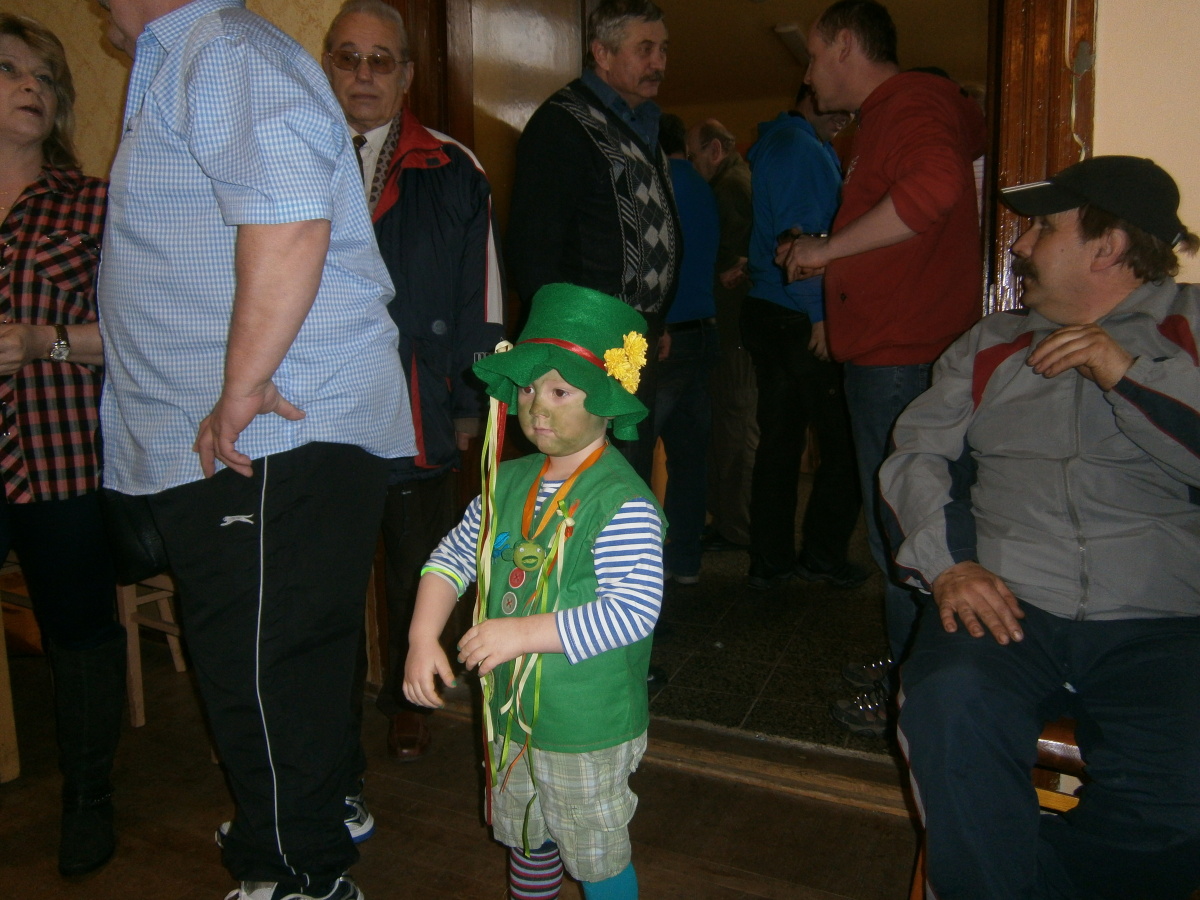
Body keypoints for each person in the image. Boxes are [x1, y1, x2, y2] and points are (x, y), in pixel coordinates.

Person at [93, 1, 414, 898]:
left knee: (263, 662)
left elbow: (291, 221)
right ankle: (315, 813)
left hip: (272, 423)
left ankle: (297, 873)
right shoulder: (195, 55)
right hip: (265, 428)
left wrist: (241, 388)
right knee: (289, 650)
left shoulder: (225, 51)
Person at [881, 155, 1200, 898]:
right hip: (1008, 603)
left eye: (1043, 228)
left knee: (1183, 794)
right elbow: (915, 457)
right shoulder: (990, 343)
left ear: (1108, 246)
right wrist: (951, 567)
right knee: (948, 707)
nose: (1020, 246)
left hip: (1166, 619)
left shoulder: (1190, 328)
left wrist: (1126, 373)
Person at [404, 283, 664, 900]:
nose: (536, 407)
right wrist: (421, 636)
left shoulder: (621, 503)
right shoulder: (506, 482)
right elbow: (451, 558)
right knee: (526, 835)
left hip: (586, 726)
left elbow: (632, 612)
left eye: (560, 392)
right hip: (510, 717)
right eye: (527, 389)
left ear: (605, 401)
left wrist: (521, 633)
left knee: (594, 852)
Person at [777, 0, 985, 735]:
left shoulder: (909, 102)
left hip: (902, 360)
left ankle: (916, 698)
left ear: (844, 45)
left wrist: (827, 251)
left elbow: (936, 188)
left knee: (905, 536)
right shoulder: (895, 114)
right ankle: (911, 667)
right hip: (901, 353)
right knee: (909, 530)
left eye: (812, 57)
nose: (808, 75)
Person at [321, 0, 505, 764]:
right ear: (327, 66)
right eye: (348, 57)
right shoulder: (293, 154)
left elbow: (479, 300)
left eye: (381, 60)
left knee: (415, 566)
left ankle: (407, 696)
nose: (364, 73)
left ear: (406, 74)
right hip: (318, 407)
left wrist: (469, 406)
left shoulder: (453, 168)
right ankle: (332, 710)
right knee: (327, 577)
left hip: (417, 403)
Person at [0, 13, 121, 878]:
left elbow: (145, 335)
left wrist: (48, 341)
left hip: (60, 454)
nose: (32, 86)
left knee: (79, 633)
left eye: (45, 76)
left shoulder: (93, 202)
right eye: (10, 70)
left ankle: (88, 798)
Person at [505, 0, 679, 484]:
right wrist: (560, 347)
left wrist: (657, 320)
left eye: (663, 50)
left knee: (626, 470)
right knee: (585, 475)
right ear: (602, 53)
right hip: (584, 343)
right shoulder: (562, 124)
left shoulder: (645, 124)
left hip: (634, 337)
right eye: (645, 49)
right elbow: (532, 248)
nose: (659, 63)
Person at [741, 85, 864, 593]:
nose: (847, 117)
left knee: (780, 443)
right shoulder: (801, 148)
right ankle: (822, 555)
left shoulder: (779, 143)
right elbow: (802, 239)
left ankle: (771, 561)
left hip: (770, 310)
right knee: (846, 444)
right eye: (840, 106)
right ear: (812, 93)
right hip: (798, 314)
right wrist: (820, 315)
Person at [683, 118, 757, 552]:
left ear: (715, 150)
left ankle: (736, 527)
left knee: (735, 426)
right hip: (738, 327)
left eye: (693, 156)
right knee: (733, 424)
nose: (690, 165)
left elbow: (726, 259)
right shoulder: (739, 182)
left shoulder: (729, 189)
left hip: (733, 328)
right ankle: (732, 522)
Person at [655, 114, 719, 585]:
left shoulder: (655, 187)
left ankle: (628, 564)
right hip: (703, 329)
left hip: (665, 334)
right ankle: (685, 561)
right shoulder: (702, 186)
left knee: (631, 451)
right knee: (690, 457)